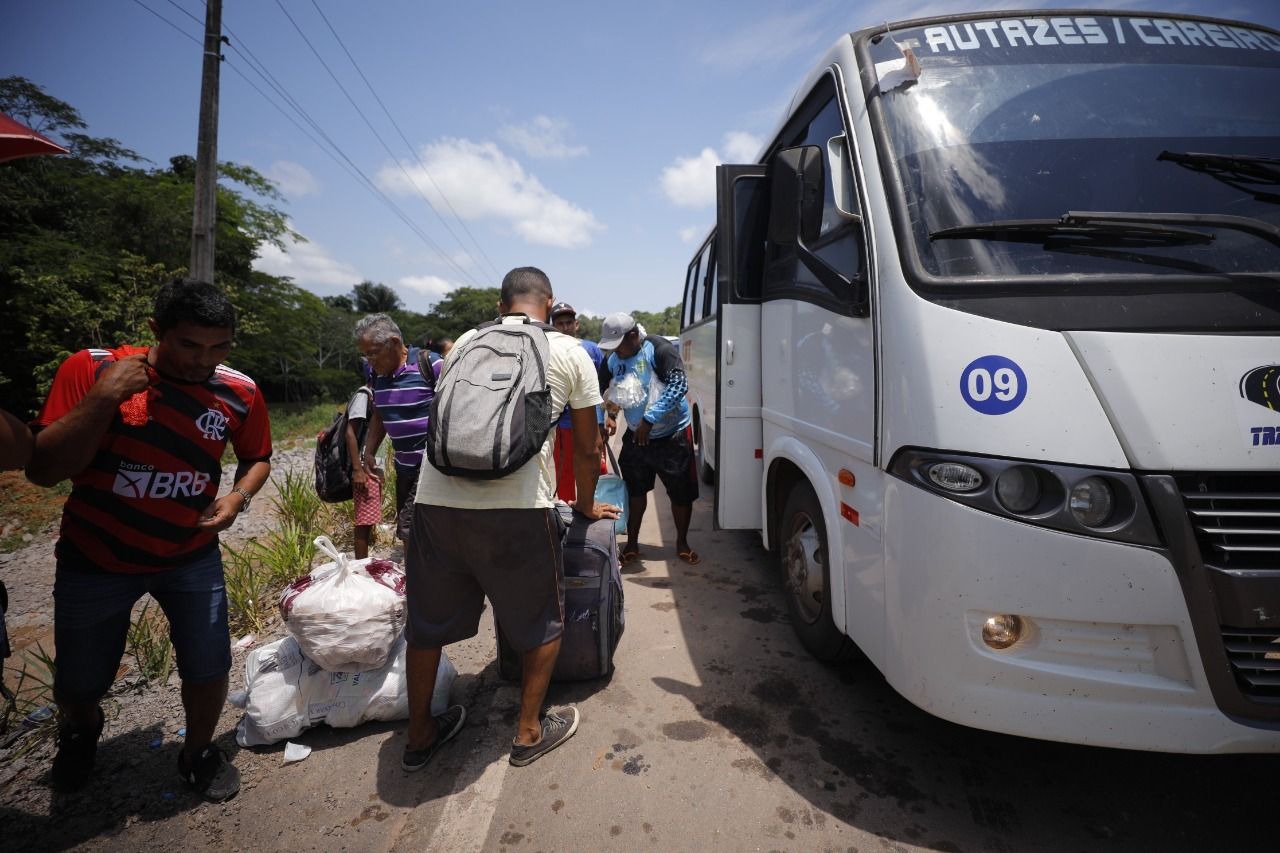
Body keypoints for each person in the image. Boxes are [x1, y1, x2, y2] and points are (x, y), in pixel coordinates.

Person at [26, 279, 271, 800]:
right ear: (157, 331)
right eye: (189, 345)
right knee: (80, 681)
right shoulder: (93, 369)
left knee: (208, 664)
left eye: (219, 347)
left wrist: (237, 498)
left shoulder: (239, 391)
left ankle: (197, 753)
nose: (203, 360)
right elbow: (45, 470)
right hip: (95, 557)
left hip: (190, 555)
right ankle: (80, 731)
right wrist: (104, 398)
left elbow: (257, 457)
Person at [401, 266, 620, 772]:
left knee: (427, 625)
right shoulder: (568, 351)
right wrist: (584, 503)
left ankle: (419, 736)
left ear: (502, 304)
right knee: (542, 619)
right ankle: (527, 732)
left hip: (435, 503)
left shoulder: (464, 344)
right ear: (549, 302)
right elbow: (587, 449)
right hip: (518, 509)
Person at [596, 312, 700, 566]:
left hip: (671, 434)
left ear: (633, 336)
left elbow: (678, 386)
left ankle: (682, 542)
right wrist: (608, 416)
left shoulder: (659, 349)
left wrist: (650, 419)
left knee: (680, 493)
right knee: (634, 490)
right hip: (636, 435)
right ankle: (632, 543)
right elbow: (603, 389)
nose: (615, 352)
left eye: (619, 345)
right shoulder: (613, 360)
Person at [354, 314, 441, 550]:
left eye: (373, 352)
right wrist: (369, 452)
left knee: (409, 530)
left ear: (393, 342)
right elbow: (379, 416)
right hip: (404, 468)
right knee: (411, 530)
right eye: (365, 355)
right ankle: (421, 579)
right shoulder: (375, 375)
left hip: (432, 467)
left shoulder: (431, 365)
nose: (369, 360)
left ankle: (418, 582)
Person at [549, 301, 605, 503]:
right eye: (560, 323)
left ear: (577, 324)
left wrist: (603, 419)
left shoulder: (591, 349)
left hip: (590, 422)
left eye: (569, 322)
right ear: (553, 325)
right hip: (562, 425)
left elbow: (600, 387)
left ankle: (597, 509)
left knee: (597, 468)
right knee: (565, 473)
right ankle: (567, 517)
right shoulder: (548, 349)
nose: (565, 327)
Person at [344, 378, 379, 559]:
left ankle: (363, 564)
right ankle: (361, 566)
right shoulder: (364, 395)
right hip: (363, 468)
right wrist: (358, 470)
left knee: (369, 518)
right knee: (364, 521)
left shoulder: (377, 394)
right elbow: (350, 433)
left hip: (371, 465)